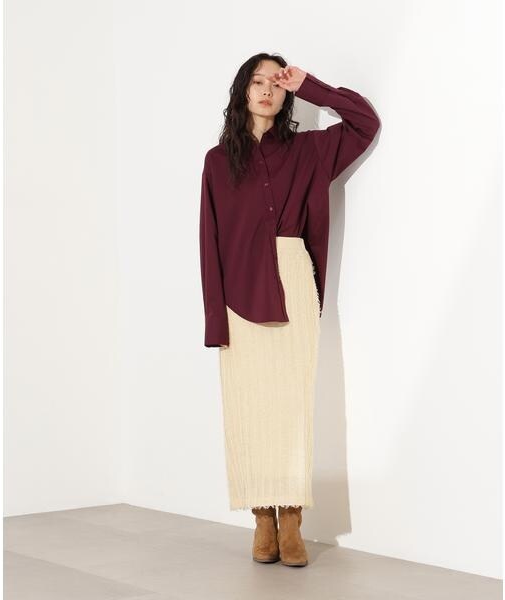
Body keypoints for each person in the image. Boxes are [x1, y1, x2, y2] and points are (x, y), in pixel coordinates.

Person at [199, 53, 380, 567]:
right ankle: (262, 517)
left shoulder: (310, 150)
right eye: (257, 81)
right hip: (238, 291)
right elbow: (209, 241)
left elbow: (365, 123)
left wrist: (311, 85)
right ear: (242, 91)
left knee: (292, 404)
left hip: (293, 280)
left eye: (276, 83)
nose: (266, 90)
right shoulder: (218, 161)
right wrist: (215, 318)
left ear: (286, 95)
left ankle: (293, 518)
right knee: (248, 402)